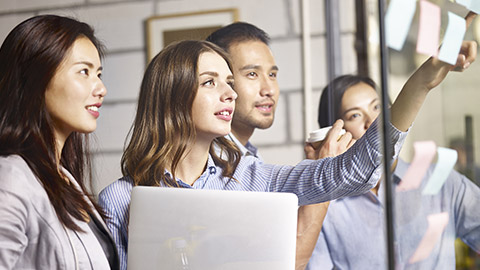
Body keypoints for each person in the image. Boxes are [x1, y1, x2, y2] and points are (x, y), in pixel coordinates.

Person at [98, 29, 470, 268]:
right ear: (172, 96)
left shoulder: (252, 177)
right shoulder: (119, 200)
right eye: (210, 82)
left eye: (230, 81)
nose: (229, 92)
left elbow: (356, 171)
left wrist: (421, 82)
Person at [206, 22, 344, 269]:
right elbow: (289, 263)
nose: (269, 89)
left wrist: (315, 168)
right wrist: (326, 171)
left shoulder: (246, 156)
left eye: (272, 74)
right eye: (252, 74)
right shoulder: (215, 165)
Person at [306, 73, 480, 269]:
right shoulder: (328, 211)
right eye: (355, 115)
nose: (374, 122)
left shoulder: (441, 182)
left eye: (377, 107)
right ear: (335, 135)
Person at [0, 15, 119, 269]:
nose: (101, 88)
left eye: (98, 74)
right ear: (36, 79)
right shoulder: (10, 177)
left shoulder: (62, 177)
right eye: (84, 72)